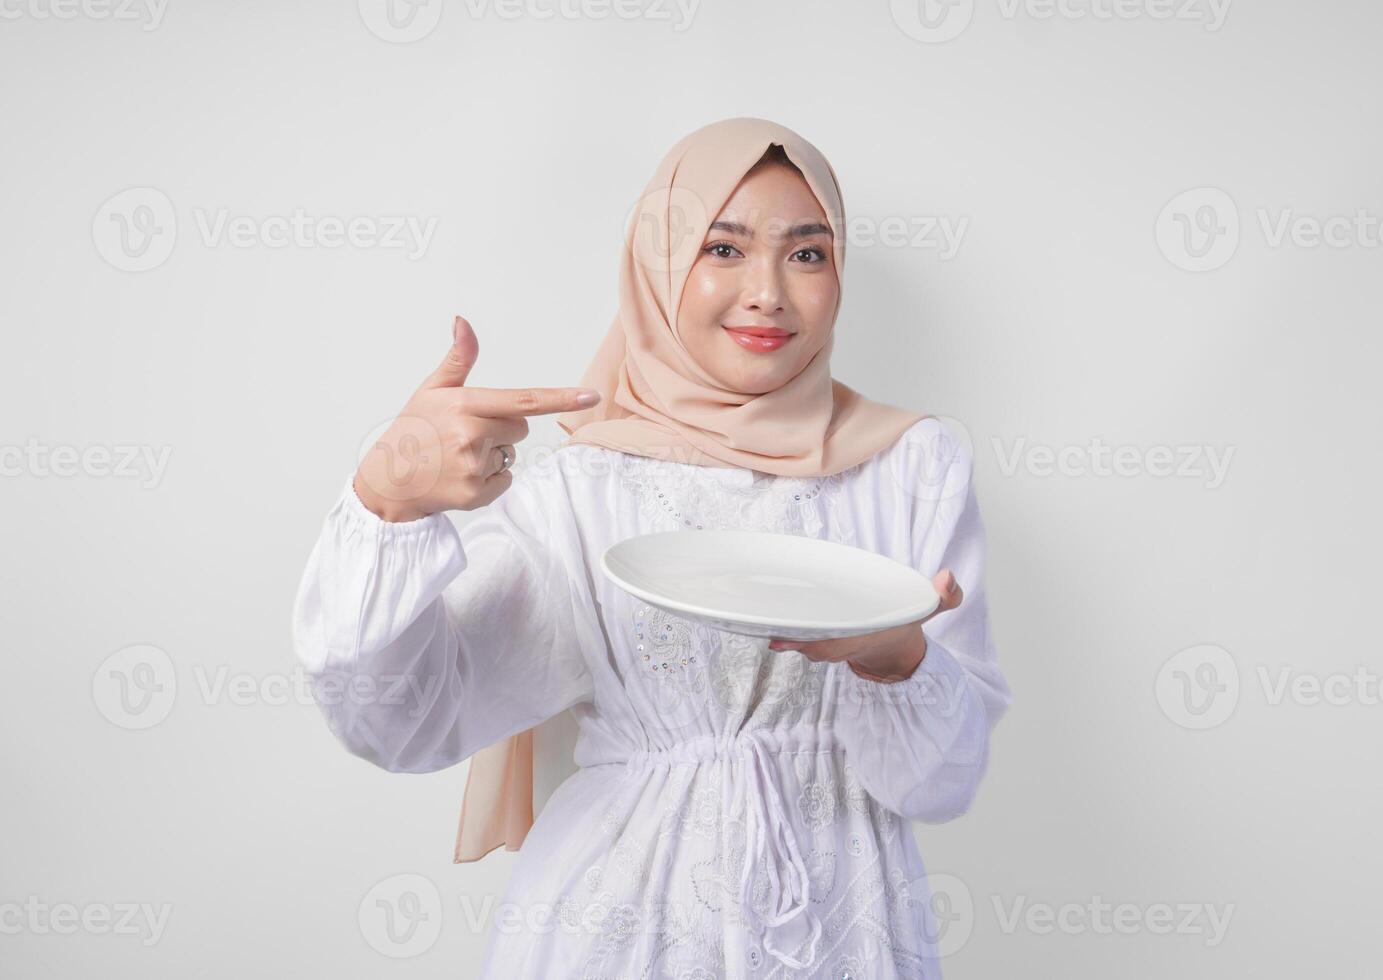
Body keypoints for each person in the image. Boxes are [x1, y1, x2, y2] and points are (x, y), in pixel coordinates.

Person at [291, 116, 1011, 978]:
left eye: (808, 254)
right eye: (723, 248)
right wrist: (388, 504)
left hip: (843, 926)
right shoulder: (580, 493)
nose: (768, 294)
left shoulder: (913, 468)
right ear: (658, 267)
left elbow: (939, 787)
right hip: (616, 932)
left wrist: (899, 658)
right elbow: (397, 724)